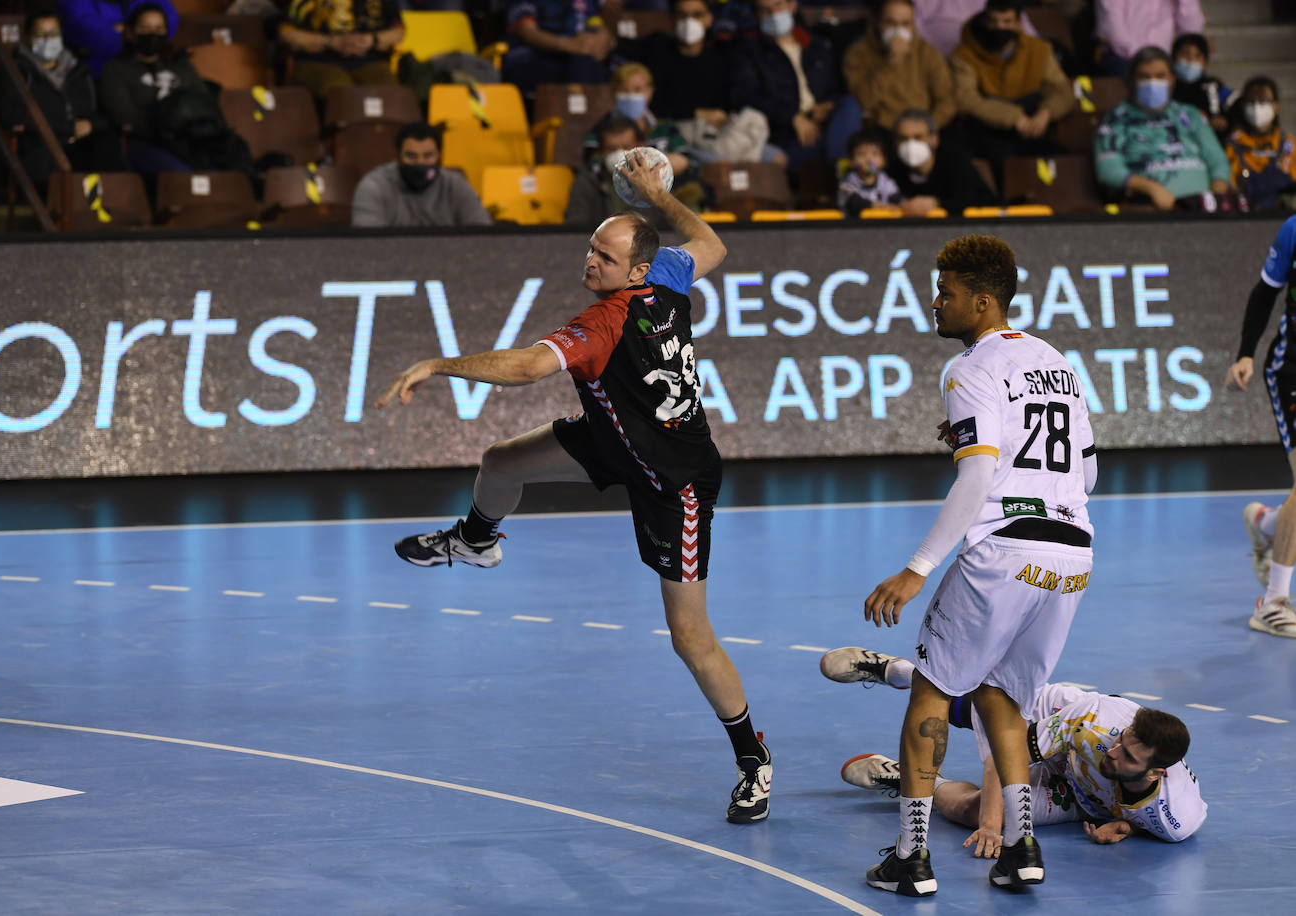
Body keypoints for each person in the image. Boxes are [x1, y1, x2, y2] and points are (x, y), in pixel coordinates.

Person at [378, 151, 773, 825]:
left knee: (690, 636)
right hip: (614, 436)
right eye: (592, 249)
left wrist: (441, 364)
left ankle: (753, 760)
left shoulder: (604, 322)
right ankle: (474, 542)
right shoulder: (670, 275)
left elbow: (530, 366)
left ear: (636, 272)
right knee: (501, 462)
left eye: (606, 258)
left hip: (670, 481)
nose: (591, 262)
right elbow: (710, 242)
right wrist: (656, 195)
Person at [860, 234, 1096, 897]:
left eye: (947, 293)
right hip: (1071, 554)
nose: (936, 303)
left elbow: (978, 476)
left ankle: (911, 856)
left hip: (1005, 551)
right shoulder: (1057, 362)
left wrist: (918, 568)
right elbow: (1090, 468)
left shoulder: (969, 368)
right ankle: (1021, 847)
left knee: (931, 690)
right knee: (1003, 699)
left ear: (983, 301)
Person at [825, 650, 1207, 847]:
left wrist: (1125, 827)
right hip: (1064, 726)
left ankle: (911, 778)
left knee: (971, 811)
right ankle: (895, 671)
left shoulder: (1178, 819)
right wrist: (992, 829)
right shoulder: (1099, 725)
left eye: (1129, 757)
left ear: (1158, 772)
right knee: (973, 707)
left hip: (1083, 798)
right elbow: (1006, 756)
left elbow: (1150, 822)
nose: (1116, 752)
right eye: (1123, 741)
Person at [1225, 214, 1296, 638]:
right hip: (1292, 371)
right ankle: (1273, 603)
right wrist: (1246, 353)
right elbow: (1264, 294)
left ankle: (1267, 524)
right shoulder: (1293, 230)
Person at [99, 3, 254, 181]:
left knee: (231, 168)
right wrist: (168, 121)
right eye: (145, 28)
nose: (152, 34)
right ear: (131, 32)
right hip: (147, 143)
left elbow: (204, 103)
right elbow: (126, 117)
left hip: (191, 141)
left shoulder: (180, 65)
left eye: (159, 29)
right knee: (187, 177)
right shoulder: (115, 70)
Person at [0, 5, 126, 195]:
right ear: (28, 37)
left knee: (107, 146)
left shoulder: (79, 71)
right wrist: (66, 127)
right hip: (41, 146)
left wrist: (90, 124)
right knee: (47, 164)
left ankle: (112, 212)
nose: (48, 39)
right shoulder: (15, 71)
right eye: (40, 33)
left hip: (78, 143)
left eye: (54, 33)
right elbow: (9, 114)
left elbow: (103, 112)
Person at [1093, 46, 1232, 212]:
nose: (1152, 83)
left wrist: (1217, 195)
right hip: (1151, 209)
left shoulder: (1190, 113)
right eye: (1144, 77)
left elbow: (1218, 161)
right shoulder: (1116, 119)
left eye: (1160, 76)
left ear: (1172, 79)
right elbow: (1108, 170)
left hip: (1204, 207)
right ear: (1132, 80)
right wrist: (1152, 189)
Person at [950, 0, 1075, 184]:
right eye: (994, 21)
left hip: (1033, 128)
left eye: (1007, 22)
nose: (1000, 27)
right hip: (988, 132)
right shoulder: (964, 55)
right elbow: (966, 99)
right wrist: (1013, 117)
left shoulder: (1039, 49)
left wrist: (1046, 113)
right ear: (985, 21)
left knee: (1064, 161)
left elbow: (1062, 91)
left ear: (1019, 24)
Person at [730, 0, 847, 170]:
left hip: (827, 124)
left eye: (778, 6)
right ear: (756, 15)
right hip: (788, 135)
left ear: (792, 5)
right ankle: (843, 173)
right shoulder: (749, 51)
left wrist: (829, 105)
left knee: (849, 105)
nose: (773, 15)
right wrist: (791, 117)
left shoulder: (818, 45)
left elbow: (838, 88)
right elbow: (745, 97)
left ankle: (842, 171)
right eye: (765, 10)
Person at [842, 0, 956, 136]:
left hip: (923, 126)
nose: (899, 31)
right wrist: (891, 62)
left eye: (905, 24)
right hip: (882, 129)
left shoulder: (927, 52)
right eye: (891, 23)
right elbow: (864, 101)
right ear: (877, 22)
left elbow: (947, 100)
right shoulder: (858, 53)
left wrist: (929, 125)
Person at [350, 122, 492, 228]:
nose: (420, 162)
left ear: (439, 156)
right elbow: (368, 244)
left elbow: (482, 236)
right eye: (411, 156)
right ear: (398, 157)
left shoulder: (455, 185)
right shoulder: (374, 187)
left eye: (428, 156)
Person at [615, 0, 731, 125]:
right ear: (672, 18)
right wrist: (695, 113)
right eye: (682, 15)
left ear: (709, 19)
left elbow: (725, 110)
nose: (689, 21)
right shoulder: (656, 49)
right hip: (665, 130)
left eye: (697, 15)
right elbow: (652, 106)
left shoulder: (721, 58)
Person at [278, 0, 405, 105]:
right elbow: (285, 32)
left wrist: (371, 40)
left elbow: (399, 30)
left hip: (370, 60)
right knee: (341, 93)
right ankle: (337, 135)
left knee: (391, 93)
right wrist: (329, 42)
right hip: (318, 61)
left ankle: (382, 134)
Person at [501, 0, 619, 100]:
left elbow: (596, 23)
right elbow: (527, 31)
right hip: (532, 59)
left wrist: (602, 37)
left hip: (578, 60)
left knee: (600, 68)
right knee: (583, 67)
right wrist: (570, 45)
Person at [888, 109, 997, 216]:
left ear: (934, 139)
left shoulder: (956, 160)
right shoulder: (892, 169)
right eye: (903, 138)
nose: (910, 145)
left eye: (918, 137)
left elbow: (967, 201)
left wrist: (936, 203)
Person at [1226, 77, 1296, 213]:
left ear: (1276, 106)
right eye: (1251, 101)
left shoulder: (1289, 143)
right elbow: (1230, 185)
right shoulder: (1233, 144)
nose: (1257, 107)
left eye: (1263, 100)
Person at [57, 0, 177, 77]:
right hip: (96, 76)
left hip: (146, 70)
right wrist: (135, 29)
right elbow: (98, 37)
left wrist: (126, 29)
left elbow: (170, 22)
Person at [1094, 0, 1204, 79]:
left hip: (1162, 61)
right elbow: (1112, 31)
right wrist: (1150, 61)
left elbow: (1191, 30)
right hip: (1123, 57)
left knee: (1191, 80)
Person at [1171, 33, 1232, 138]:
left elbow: (1236, 104)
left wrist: (1222, 122)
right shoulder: (1166, 86)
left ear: (1204, 63)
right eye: (1185, 54)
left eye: (1197, 56)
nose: (1190, 60)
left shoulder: (1212, 86)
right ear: (1173, 58)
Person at [837, 127, 903, 217]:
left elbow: (897, 198)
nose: (869, 159)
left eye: (875, 153)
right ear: (851, 161)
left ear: (883, 161)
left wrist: (903, 204)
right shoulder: (846, 184)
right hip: (854, 227)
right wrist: (877, 206)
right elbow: (854, 203)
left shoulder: (885, 181)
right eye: (862, 154)